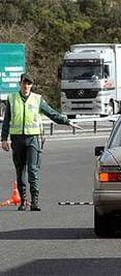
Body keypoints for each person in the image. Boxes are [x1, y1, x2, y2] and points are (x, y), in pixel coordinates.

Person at [1, 73, 82, 211]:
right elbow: (7, 120)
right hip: (17, 139)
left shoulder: (37, 99)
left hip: (33, 139)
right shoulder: (12, 99)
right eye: (24, 83)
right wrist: (3, 139)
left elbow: (51, 113)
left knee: (33, 170)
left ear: (31, 85)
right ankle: (23, 201)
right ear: (20, 83)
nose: (26, 86)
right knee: (20, 171)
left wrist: (67, 122)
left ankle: (35, 201)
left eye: (29, 84)